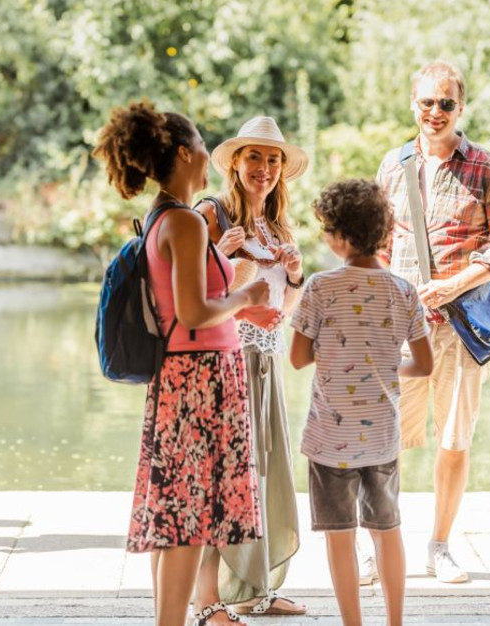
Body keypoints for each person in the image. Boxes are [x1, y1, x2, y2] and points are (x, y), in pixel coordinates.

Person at [92, 101, 276, 626]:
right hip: (200, 378)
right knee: (190, 519)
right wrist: (247, 295)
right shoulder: (187, 223)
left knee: (176, 512)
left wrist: (241, 302)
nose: (205, 155)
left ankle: (166, 618)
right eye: (201, 145)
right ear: (183, 153)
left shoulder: (162, 217)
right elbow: (194, 311)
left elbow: (187, 305)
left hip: (184, 374)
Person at [368, 58, 490, 584]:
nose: (436, 112)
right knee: (386, 442)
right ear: (413, 104)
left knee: (454, 440)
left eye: (446, 103)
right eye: (427, 102)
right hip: (400, 329)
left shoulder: (487, 167)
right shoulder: (392, 165)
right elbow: (377, 242)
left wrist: (456, 284)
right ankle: (381, 548)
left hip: (459, 326)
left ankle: (439, 546)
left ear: (461, 107)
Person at [290, 178, 432, 626]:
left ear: (341, 236)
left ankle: (353, 624)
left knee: (340, 537)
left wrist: (334, 354)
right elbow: (424, 365)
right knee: (387, 532)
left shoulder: (319, 287)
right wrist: (389, 368)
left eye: (327, 230)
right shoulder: (404, 292)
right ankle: (395, 623)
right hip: (381, 438)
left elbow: (297, 358)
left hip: (330, 439)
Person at [191, 117, 308, 620]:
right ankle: (207, 602)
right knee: (223, 479)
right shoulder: (211, 216)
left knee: (262, 475)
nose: (264, 168)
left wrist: (298, 271)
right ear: (235, 163)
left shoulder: (278, 226)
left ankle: (256, 590)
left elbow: (292, 306)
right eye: (254, 157)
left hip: (268, 358)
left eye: (273, 159)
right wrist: (223, 255)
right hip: (226, 358)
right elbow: (188, 297)